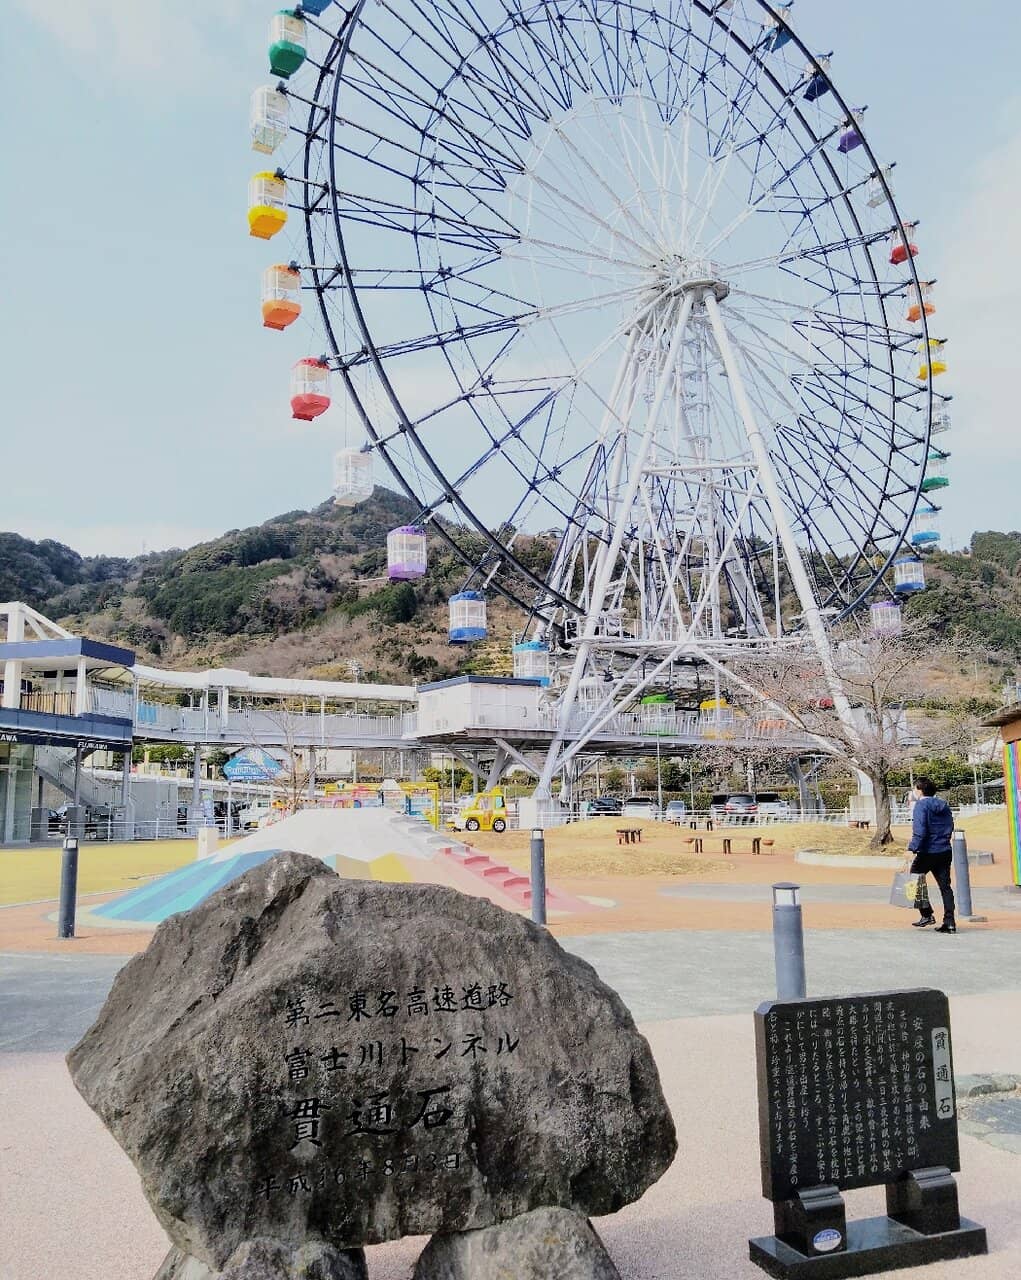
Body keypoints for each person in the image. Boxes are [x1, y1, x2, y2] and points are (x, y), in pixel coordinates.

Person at [907, 777, 956, 934]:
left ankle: (926, 913)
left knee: (914, 880)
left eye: (915, 788)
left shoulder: (921, 805)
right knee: (945, 887)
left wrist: (912, 848)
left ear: (919, 790)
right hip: (944, 849)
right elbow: (950, 825)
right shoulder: (943, 805)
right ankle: (949, 922)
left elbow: (920, 830)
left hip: (928, 851)